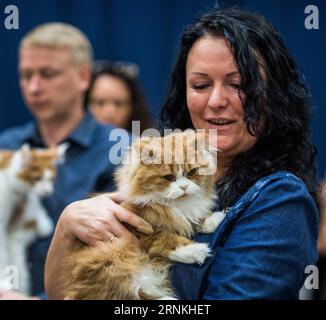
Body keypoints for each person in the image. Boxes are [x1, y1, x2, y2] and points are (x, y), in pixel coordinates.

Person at [45, 7, 319, 299]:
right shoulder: (156, 177)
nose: (216, 101)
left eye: (237, 84)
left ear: (273, 95)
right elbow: (65, 292)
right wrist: (66, 225)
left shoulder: (279, 200)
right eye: (201, 85)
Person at [0, 23, 133, 299]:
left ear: (84, 77)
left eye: (48, 74)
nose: (34, 87)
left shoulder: (121, 151)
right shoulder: (7, 147)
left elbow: (119, 262)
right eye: (26, 75)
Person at [86, 60, 153, 133]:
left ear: (133, 108)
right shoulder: (73, 140)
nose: (109, 112)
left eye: (118, 103)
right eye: (100, 103)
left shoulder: (149, 143)